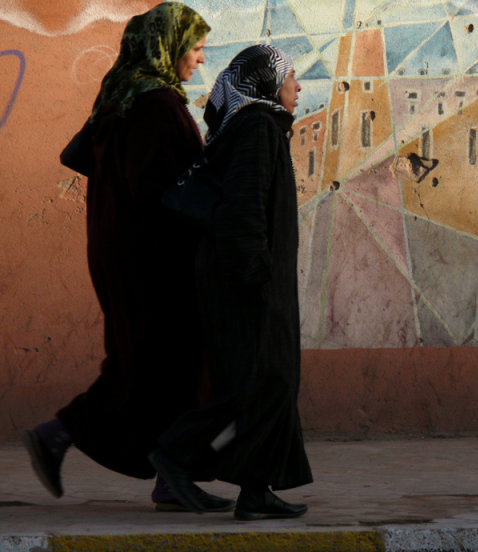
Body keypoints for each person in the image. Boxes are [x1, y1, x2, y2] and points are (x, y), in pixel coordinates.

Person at [21, 3, 233, 513]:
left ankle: (159, 470)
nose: (201, 61)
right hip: (154, 260)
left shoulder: (119, 98)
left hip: (123, 255)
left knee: (146, 361)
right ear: (168, 48)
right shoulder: (157, 106)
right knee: (167, 361)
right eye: (196, 48)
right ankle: (69, 436)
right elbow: (157, 189)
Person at [148, 44, 313, 521]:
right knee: (259, 382)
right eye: (290, 77)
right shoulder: (257, 128)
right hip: (245, 281)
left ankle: (256, 492)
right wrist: (257, 279)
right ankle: (176, 455)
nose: (298, 87)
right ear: (266, 83)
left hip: (251, 277)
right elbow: (243, 212)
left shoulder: (251, 127)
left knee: (267, 382)